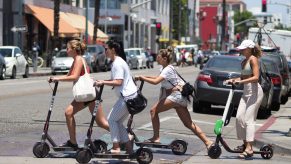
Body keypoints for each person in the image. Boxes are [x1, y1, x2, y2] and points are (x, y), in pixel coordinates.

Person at [135, 46, 213, 151]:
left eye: (158, 56)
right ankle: (207, 142)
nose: (156, 58)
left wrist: (142, 77)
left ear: (164, 59)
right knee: (188, 124)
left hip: (176, 96)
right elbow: (156, 78)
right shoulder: (165, 68)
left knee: (153, 111)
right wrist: (142, 76)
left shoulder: (167, 69)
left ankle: (156, 137)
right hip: (179, 97)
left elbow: (155, 81)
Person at [48, 39, 109, 150]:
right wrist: (57, 79)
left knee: (101, 122)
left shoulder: (79, 59)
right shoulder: (76, 59)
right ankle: (72, 142)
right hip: (88, 94)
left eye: (68, 48)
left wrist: (57, 78)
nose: (66, 50)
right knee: (99, 122)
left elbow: (74, 76)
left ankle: (125, 136)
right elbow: (68, 75)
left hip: (89, 94)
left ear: (74, 49)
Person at [95, 40, 137, 154]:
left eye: (106, 49)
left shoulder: (117, 63)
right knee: (117, 122)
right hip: (130, 96)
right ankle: (129, 148)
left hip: (127, 97)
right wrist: (102, 81)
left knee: (111, 120)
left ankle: (116, 146)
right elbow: (116, 80)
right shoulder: (117, 62)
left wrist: (103, 82)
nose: (105, 51)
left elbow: (118, 82)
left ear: (113, 50)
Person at [225, 39, 263, 159]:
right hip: (246, 92)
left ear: (249, 49)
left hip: (255, 91)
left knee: (248, 119)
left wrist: (240, 81)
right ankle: (245, 144)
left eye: (243, 48)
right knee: (239, 118)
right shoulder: (243, 62)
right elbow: (243, 77)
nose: (241, 50)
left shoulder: (253, 59)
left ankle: (249, 148)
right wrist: (233, 80)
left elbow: (256, 77)